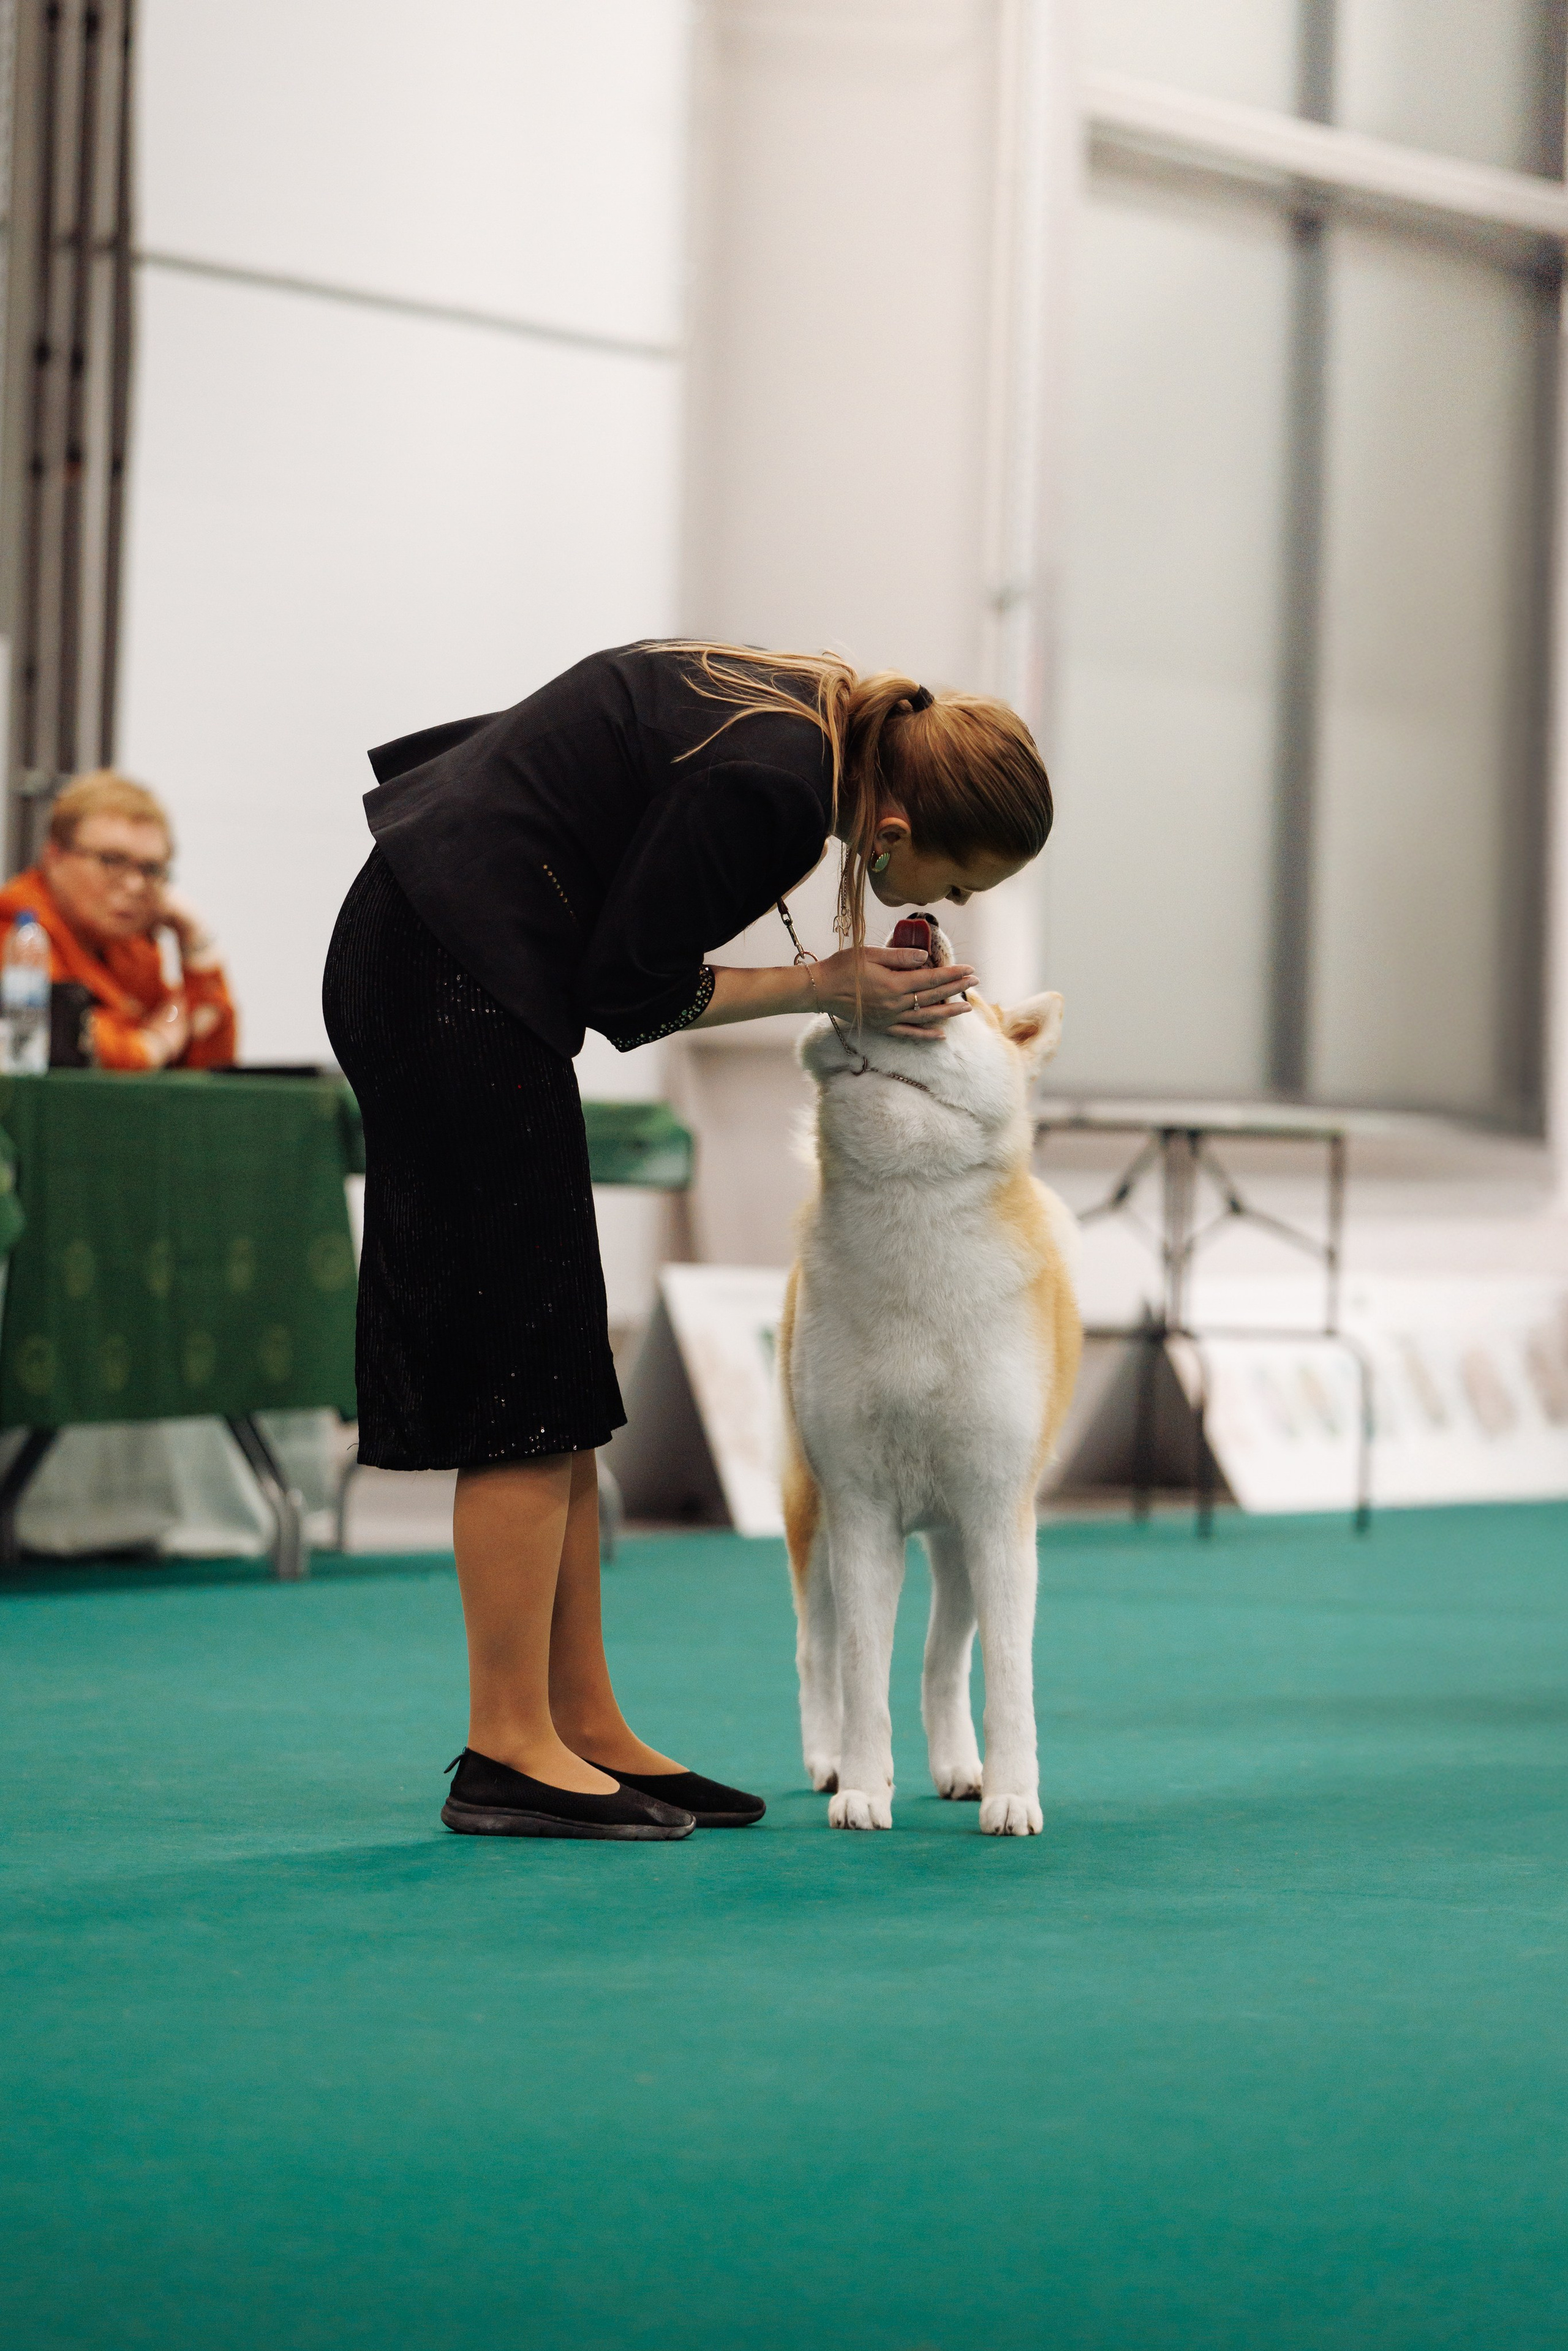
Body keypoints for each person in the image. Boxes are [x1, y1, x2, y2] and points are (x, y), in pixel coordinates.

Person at [322, 641, 1054, 1842]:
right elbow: (629, 993)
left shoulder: (814, 718)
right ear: (898, 825)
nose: (949, 906)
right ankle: (507, 1743)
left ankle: (581, 1719)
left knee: (562, 1371)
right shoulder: (777, 784)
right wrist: (829, 984)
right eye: (959, 881)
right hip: (444, 973)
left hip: (459, 955)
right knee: (518, 1374)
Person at [0, 772, 236, 1070]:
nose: (135, 885)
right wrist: (151, 1046)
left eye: (151, 869)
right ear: (54, 856)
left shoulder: (130, 945)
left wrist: (196, 940)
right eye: (111, 860)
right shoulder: (16, 929)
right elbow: (60, 1039)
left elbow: (211, 1061)